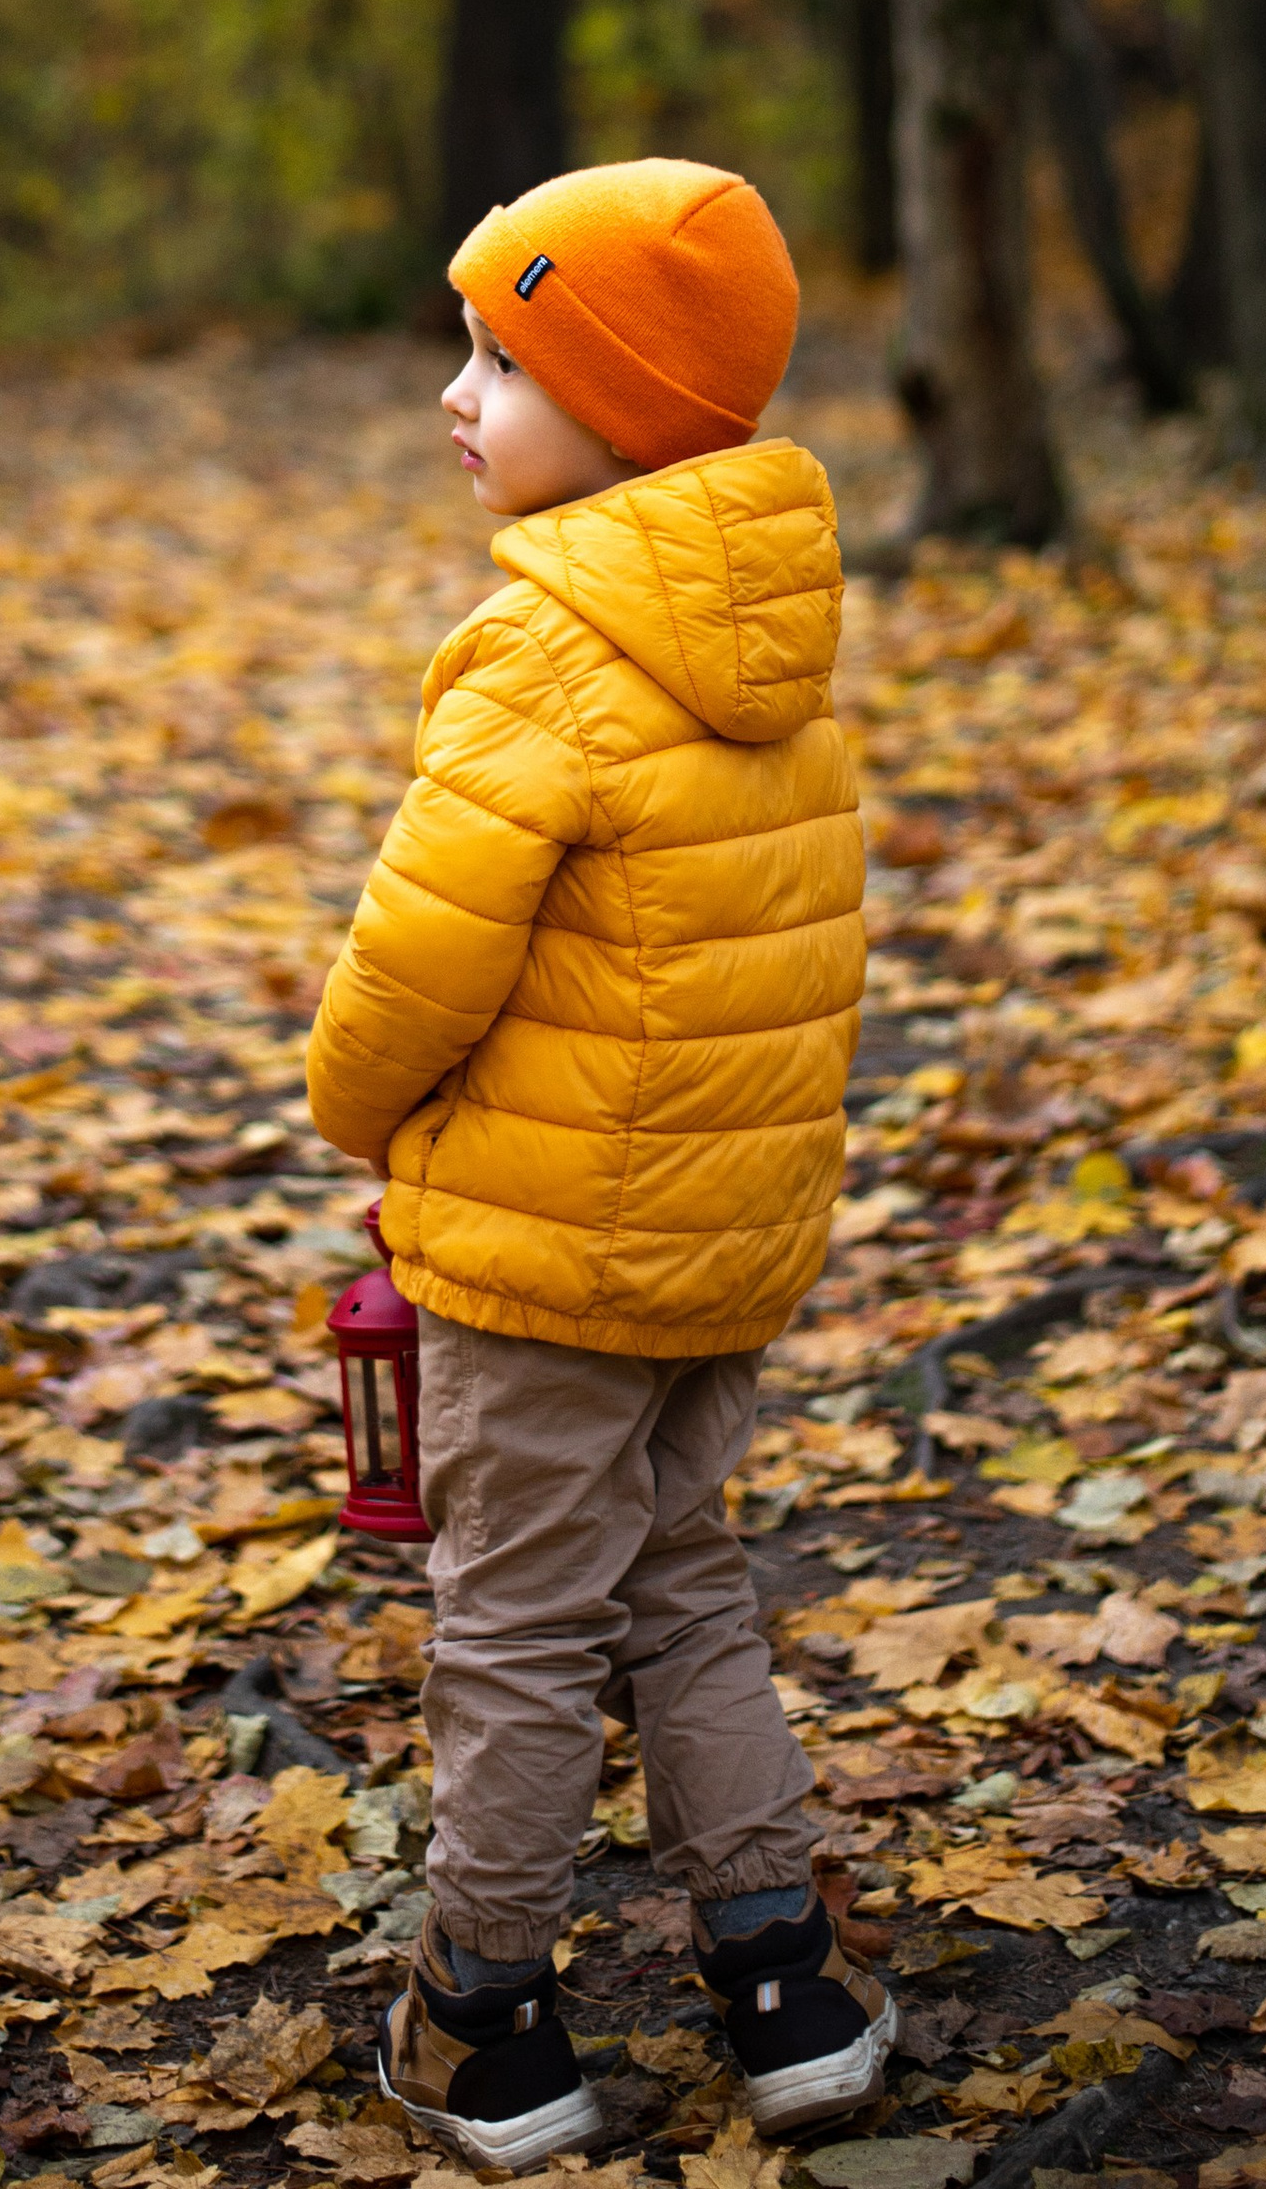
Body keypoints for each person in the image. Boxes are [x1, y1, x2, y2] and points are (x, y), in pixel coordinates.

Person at [306, 159, 891, 2177]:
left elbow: (414, 956)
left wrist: (348, 1106)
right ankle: (778, 1982)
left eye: (501, 355)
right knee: (682, 1586)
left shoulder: (537, 657)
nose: (453, 393)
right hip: (716, 1247)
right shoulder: (778, 656)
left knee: (515, 1623)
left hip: (547, 1257)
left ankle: (483, 2011)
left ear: (625, 411)